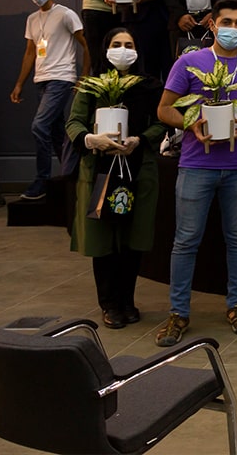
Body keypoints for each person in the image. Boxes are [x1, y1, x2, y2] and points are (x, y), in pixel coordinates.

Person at [155, 0, 237, 347]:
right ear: (213, 25)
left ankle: (236, 305)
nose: (233, 28)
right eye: (227, 22)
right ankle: (178, 312)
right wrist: (191, 123)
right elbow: (164, 109)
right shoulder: (189, 62)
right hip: (196, 165)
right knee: (186, 240)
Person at [66, 29, 164, 329]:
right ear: (105, 49)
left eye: (129, 45)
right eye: (116, 44)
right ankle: (109, 303)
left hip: (138, 168)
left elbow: (161, 123)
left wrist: (139, 139)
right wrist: (91, 139)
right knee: (104, 239)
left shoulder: (150, 86)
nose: (123, 50)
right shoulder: (90, 86)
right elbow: (73, 123)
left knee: (132, 239)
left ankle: (127, 301)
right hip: (99, 169)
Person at [11, 0, 91, 200]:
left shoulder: (65, 14)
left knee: (39, 126)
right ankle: (72, 177)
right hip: (41, 79)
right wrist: (19, 83)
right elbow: (30, 52)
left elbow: (87, 45)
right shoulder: (32, 19)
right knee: (56, 133)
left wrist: (84, 77)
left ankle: (42, 180)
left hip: (61, 78)